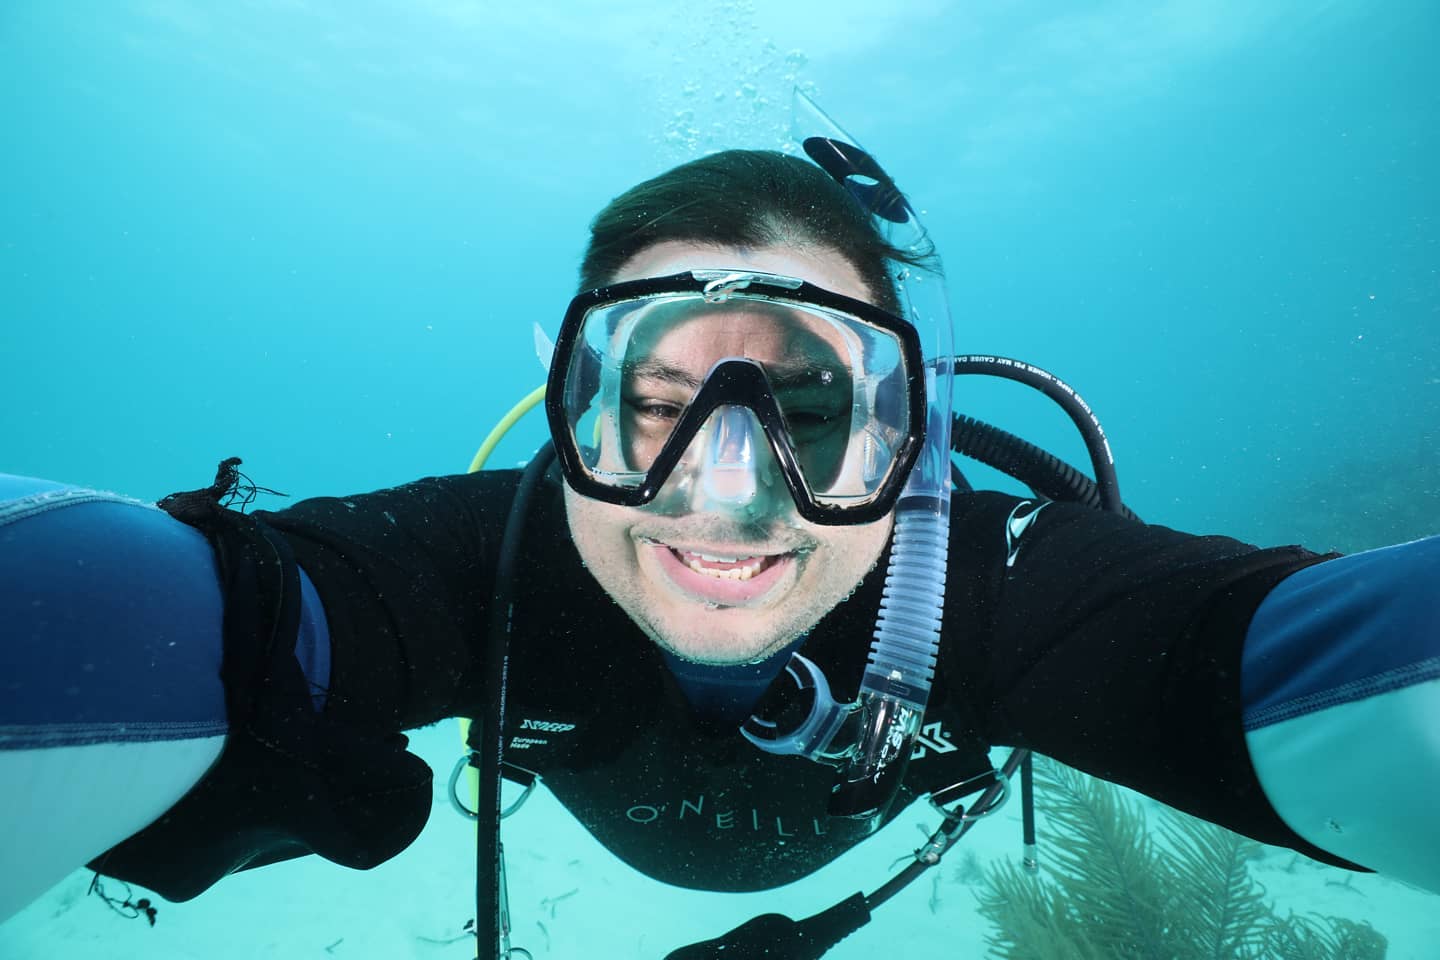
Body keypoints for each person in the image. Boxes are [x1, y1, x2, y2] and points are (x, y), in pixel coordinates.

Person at [2, 98, 1437, 958]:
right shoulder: (481, 563)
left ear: (910, 424)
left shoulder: (988, 586)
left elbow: (1298, 666)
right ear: (574, 405)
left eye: (810, 410)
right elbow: (190, 617)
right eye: (657, 406)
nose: (727, 491)